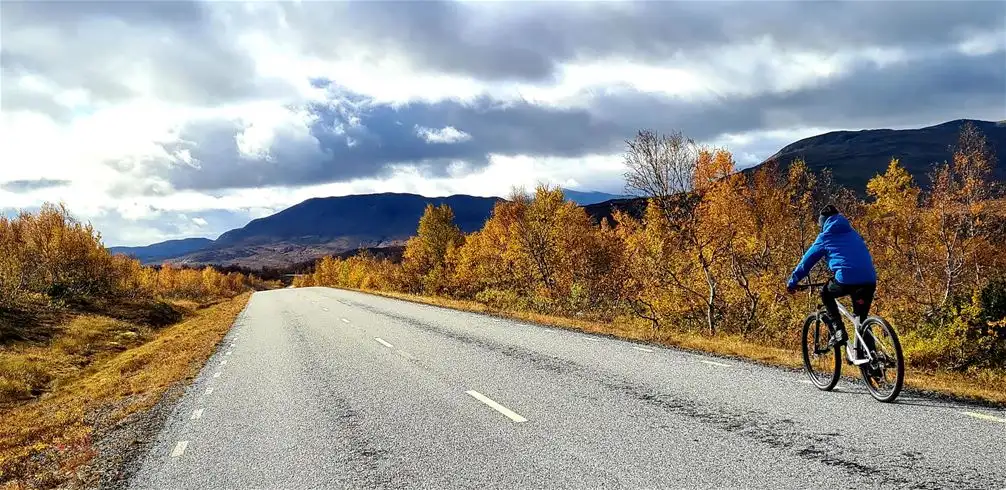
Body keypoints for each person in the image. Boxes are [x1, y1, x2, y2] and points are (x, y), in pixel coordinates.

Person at [787, 205, 877, 349]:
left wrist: (793, 281)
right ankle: (872, 361)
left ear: (823, 223)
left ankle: (838, 330)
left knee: (826, 293)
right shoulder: (853, 233)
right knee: (861, 320)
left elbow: (807, 261)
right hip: (869, 280)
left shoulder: (825, 237)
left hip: (846, 278)